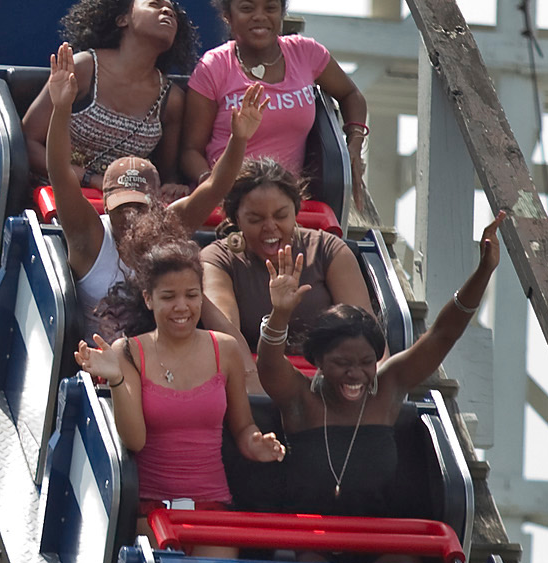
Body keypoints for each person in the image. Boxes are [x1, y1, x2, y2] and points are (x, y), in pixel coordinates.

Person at [256, 216, 504, 513]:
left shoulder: (387, 388)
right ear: (319, 361)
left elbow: (443, 334)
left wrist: (484, 271)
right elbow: (269, 364)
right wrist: (280, 313)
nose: (355, 374)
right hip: (311, 540)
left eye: (365, 362)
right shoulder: (300, 399)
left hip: (379, 538)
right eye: (342, 363)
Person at [41, 46, 267, 327]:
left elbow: (216, 187)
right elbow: (60, 174)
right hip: (99, 363)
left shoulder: (169, 227)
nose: (130, 215)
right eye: (122, 206)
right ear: (106, 203)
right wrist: (61, 108)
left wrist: (239, 139)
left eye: (139, 205)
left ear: (157, 203)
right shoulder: (89, 236)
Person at [76, 240, 286, 533]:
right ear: (149, 299)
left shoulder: (224, 349)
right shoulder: (128, 352)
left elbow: (243, 427)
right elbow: (134, 441)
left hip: (213, 506)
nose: (181, 307)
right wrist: (117, 379)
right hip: (151, 510)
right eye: (169, 297)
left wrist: (256, 443)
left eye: (191, 295)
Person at [182, 0, 371, 203]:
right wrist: (213, 186)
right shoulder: (214, 66)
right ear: (228, 16)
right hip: (229, 199)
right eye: (247, 9)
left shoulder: (306, 53)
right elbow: (190, 151)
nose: (260, 17)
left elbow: (351, 95)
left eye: (270, 8)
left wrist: (353, 146)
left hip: (285, 202)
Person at [20, 0, 198, 187]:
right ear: (123, 20)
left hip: (124, 204)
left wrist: (171, 187)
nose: (167, 11)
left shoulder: (171, 98)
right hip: (56, 193)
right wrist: (92, 180)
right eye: (155, 5)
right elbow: (27, 142)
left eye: (173, 13)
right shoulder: (84, 67)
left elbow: (168, 175)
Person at [201, 158, 374, 355]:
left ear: (296, 211)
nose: (270, 227)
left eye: (281, 216)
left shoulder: (328, 250)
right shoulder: (217, 260)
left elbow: (366, 335)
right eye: (255, 219)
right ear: (237, 219)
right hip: (250, 374)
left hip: (325, 376)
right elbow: (226, 340)